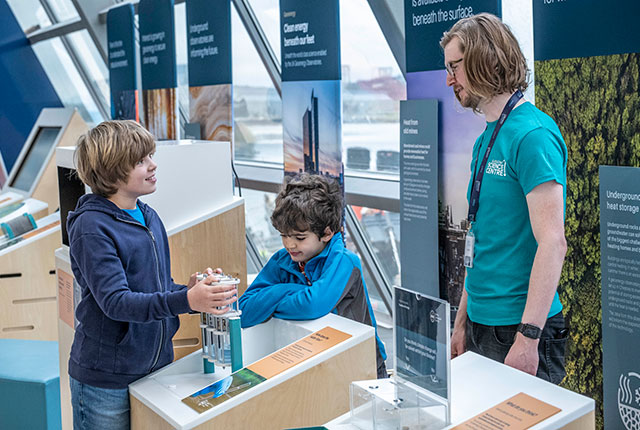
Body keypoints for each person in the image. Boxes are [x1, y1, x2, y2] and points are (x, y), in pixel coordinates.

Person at [67, 120, 238, 430]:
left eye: (150, 156)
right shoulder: (91, 227)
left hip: (155, 369)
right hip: (106, 382)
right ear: (111, 171)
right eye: (140, 160)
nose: (153, 164)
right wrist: (185, 299)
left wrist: (192, 292)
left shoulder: (148, 215)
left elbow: (153, 288)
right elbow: (117, 302)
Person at [441, 13, 568, 383]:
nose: (449, 80)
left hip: (519, 328)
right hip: (482, 323)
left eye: (455, 67)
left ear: (485, 59)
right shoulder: (486, 139)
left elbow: (553, 242)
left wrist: (528, 338)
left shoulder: (533, 135)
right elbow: (481, 240)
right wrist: (462, 320)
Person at [238, 173, 388, 378]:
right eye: (284, 235)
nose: (289, 244)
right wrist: (289, 290)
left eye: (300, 237)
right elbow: (244, 311)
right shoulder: (282, 260)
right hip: (310, 362)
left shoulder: (345, 261)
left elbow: (312, 306)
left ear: (327, 233)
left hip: (361, 363)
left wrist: (270, 304)